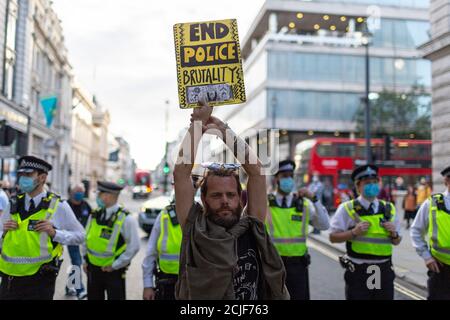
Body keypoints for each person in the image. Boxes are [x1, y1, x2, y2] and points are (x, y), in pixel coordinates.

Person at [173, 98, 289, 300]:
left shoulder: (253, 227)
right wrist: (197, 125)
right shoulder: (195, 229)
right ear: (204, 199)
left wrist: (223, 130)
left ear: (240, 198)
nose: (225, 201)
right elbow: (181, 174)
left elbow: (257, 172)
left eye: (231, 195)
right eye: (216, 195)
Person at [0, 156, 85, 300]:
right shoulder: (13, 203)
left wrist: (55, 233)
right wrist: (4, 232)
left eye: (28, 175)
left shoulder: (59, 206)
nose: (23, 179)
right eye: (21, 174)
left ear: (42, 178)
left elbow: (80, 235)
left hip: (40, 280)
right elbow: (1, 233)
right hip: (9, 278)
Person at [329, 165, 401, 300]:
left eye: (375, 182)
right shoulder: (347, 208)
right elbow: (333, 237)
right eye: (367, 183)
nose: (372, 186)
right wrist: (353, 232)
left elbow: (397, 241)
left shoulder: (388, 208)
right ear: (358, 186)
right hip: (358, 270)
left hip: (383, 269)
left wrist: (394, 234)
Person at [267, 160, 329, 300]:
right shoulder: (265, 203)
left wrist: (314, 198)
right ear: (276, 178)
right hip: (273, 266)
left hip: (298, 266)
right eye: (284, 176)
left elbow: (325, 225)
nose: (288, 179)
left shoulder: (304, 204)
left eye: (290, 176)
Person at [82, 181, 140, 300]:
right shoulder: (94, 214)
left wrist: (115, 265)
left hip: (113, 272)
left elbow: (134, 246)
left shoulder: (126, 218)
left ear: (107, 196)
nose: (97, 197)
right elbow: (85, 238)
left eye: (99, 194)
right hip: (93, 270)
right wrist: (85, 260)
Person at [410, 166, 450, 300]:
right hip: (441, 269)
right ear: (446, 181)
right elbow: (416, 230)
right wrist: (426, 256)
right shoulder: (432, 203)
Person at [142, 197, 182, 300]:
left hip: (194, 284)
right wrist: (148, 285)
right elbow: (151, 252)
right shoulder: (164, 215)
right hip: (167, 281)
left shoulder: (202, 214)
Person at [65, 184, 92, 299]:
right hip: (72, 238)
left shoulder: (86, 205)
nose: (80, 194)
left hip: (84, 238)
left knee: (76, 263)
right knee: (77, 262)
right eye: (77, 191)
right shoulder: (66, 205)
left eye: (82, 191)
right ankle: (80, 289)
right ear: (71, 192)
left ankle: (69, 286)